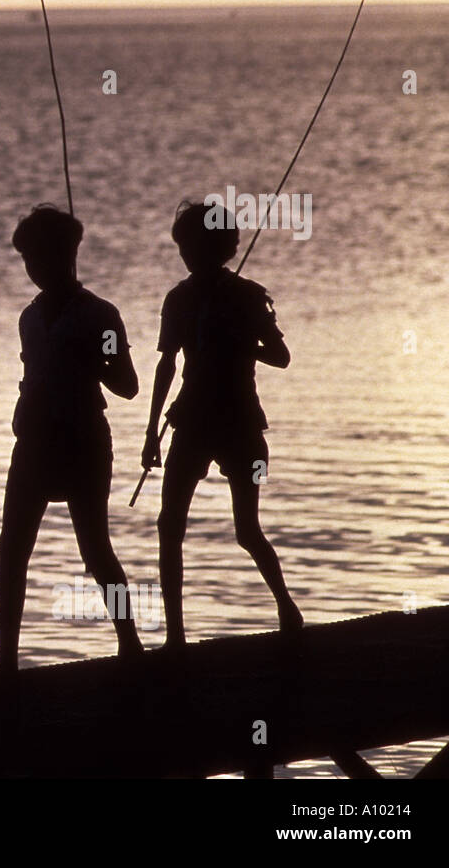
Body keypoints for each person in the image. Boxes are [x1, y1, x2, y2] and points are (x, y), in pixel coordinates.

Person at [141, 201, 303, 649]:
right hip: (189, 420)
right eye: (183, 248)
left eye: (194, 246)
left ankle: (286, 606)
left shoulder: (248, 296)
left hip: (240, 422)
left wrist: (240, 343)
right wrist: (151, 431)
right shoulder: (178, 299)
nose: (187, 256)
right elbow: (166, 366)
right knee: (169, 524)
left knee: (246, 529)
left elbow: (282, 358)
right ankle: (175, 634)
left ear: (223, 247)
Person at [0, 205, 144, 675]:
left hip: (83, 439)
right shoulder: (29, 318)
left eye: (42, 256)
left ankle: (130, 643)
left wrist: (92, 361)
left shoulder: (100, 315)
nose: (35, 267)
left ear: (70, 254)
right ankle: (6, 661)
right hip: (34, 440)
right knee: (12, 547)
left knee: (95, 546)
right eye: (28, 259)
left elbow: (127, 385)